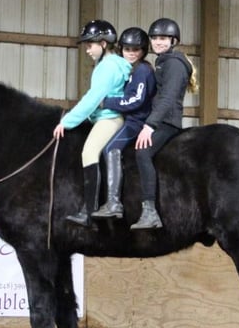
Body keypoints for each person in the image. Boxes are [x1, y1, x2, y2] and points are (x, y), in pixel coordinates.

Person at [53, 19, 132, 226]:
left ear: (104, 44)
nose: (87, 50)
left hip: (109, 118)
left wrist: (67, 122)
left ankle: (89, 212)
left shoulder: (108, 66)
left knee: (89, 152)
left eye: (90, 45)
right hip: (102, 117)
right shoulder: (107, 64)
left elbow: (93, 98)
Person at [130, 17, 197, 230]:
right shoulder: (163, 61)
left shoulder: (175, 64)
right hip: (160, 119)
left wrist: (149, 126)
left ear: (173, 40)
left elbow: (167, 99)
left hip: (167, 122)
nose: (158, 42)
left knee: (142, 152)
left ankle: (150, 211)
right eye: (155, 38)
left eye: (163, 38)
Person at [91, 27, 157, 219]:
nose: (131, 53)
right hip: (129, 118)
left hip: (137, 121)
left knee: (111, 148)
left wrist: (107, 102)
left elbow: (135, 99)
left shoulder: (142, 70)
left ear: (143, 51)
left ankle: (113, 202)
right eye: (127, 49)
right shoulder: (129, 69)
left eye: (136, 49)